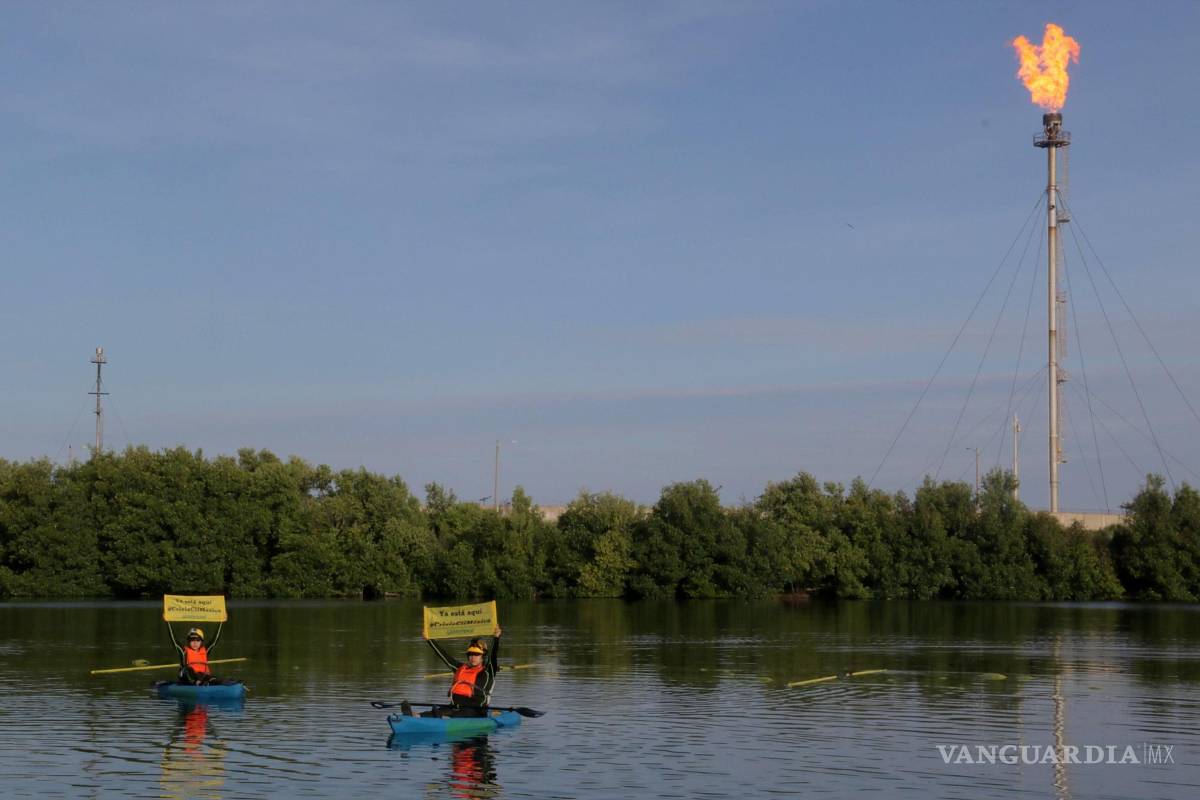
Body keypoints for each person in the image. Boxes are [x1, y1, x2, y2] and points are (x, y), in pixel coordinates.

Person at [408, 627, 502, 718]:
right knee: (438, 712)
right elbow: (444, 656)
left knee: (458, 714)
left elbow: (493, 656)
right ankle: (416, 716)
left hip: (476, 711)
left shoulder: (488, 672)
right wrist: (429, 639)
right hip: (454, 706)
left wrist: (496, 638)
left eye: (476, 654)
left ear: (483, 656)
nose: (472, 657)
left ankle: (444, 720)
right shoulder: (459, 668)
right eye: (470, 654)